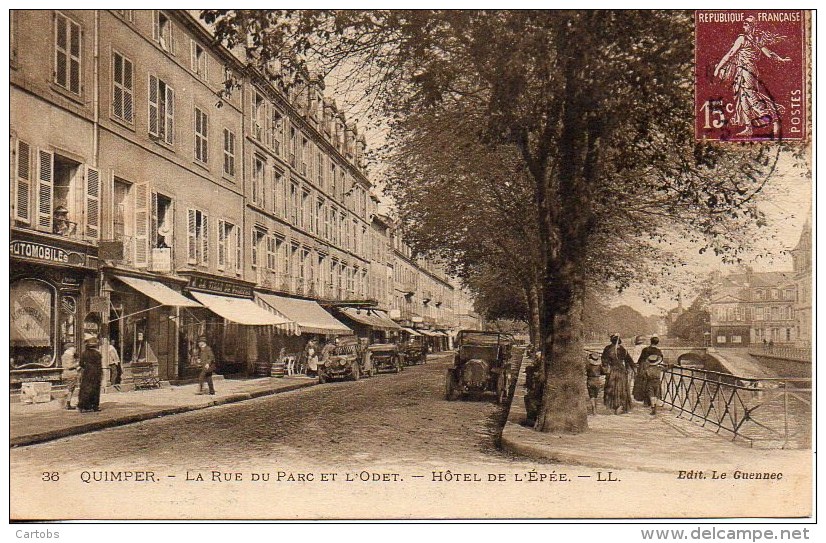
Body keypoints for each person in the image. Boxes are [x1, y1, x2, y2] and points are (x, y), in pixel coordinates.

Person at [714, 15, 791, 138]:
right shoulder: (751, 39)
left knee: (750, 95)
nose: (744, 24)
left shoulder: (746, 39)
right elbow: (767, 53)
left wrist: (718, 68)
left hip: (747, 70)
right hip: (742, 70)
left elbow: (731, 54)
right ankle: (748, 127)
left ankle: (774, 117)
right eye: (744, 22)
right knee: (742, 97)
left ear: (753, 26)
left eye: (748, 23)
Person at [601, 333, 634, 415]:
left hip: (612, 371)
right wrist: (633, 369)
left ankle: (613, 406)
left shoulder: (608, 348)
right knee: (622, 389)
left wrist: (605, 367)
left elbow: (604, 360)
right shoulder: (623, 349)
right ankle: (620, 406)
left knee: (612, 388)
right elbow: (629, 361)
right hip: (622, 371)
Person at [636, 335, 666, 415]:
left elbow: (641, 359)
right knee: (655, 389)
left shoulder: (646, 349)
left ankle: (646, 402)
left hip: (646, 368)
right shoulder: (658, 351)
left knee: (645, 385)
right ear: (657, 343)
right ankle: (653, 404)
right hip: (655, 370)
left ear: (650, 341)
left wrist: (639, 366)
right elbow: (661, 360)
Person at [77, 337, 103, 412]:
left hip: (87, 373)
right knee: (95, 389)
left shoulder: (84, 353)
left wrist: (86, 367)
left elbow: (81, 364)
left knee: (85, 389)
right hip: (96, 373)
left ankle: (82, 406)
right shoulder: (98, 353)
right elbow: (99, 364)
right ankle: (94, 406)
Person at [61, 344, 80, 410]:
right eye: (74, 348)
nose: (75, 349)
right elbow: (69, 366)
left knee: (68, 388)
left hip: (65, 373)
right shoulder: (69, 356)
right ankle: (67, 403)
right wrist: (77, 364)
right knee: (70, 389)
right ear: (70, 348)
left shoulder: (64, 355)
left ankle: (65, 402)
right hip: (71, 374)